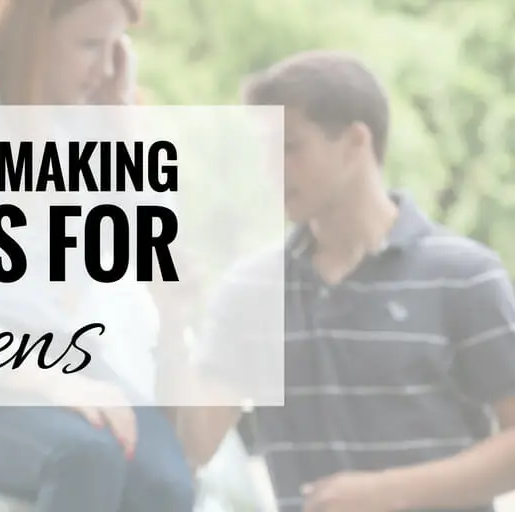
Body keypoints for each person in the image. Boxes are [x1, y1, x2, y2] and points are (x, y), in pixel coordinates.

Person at [171, 50, 515, 512]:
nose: (270, 168)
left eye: (290, 147)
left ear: (356, 143)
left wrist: (388, 492)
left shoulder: (464, 276)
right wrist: (169, 322)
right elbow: (194, 445)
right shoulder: (252, 292)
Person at [0, 0, 196, 511]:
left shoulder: (91, 135)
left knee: (167, 485)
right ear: (31, 38)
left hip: (71, 368)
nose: (106, 67)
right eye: (91, 45)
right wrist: (49, 380)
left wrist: (123, 124)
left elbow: (155, 253)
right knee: (85, 458)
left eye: (117, 48)